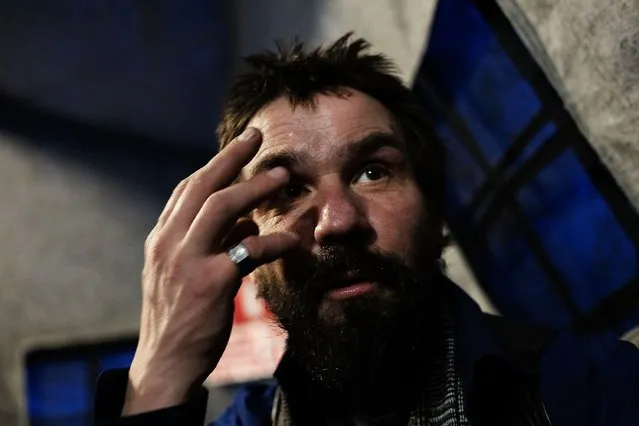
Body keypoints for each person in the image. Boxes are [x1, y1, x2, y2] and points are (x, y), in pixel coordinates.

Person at [93, 33, 639, 426]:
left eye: (373, 171)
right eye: (287, 190)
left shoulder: (599, 392)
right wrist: (160, 377)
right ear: (244, 235)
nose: (339, 221)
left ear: (434, 204)